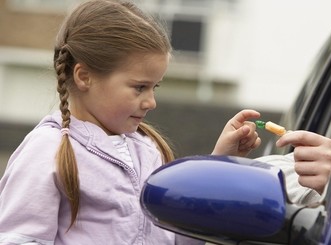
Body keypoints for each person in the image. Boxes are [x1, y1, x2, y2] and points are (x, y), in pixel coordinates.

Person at [0, 1, 261, 244]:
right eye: (140, 87)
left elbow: (178, 236)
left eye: (154, 87)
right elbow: (19, 238)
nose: (151, 102)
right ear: (84, 77)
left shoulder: (148, 150)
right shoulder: (47, 150)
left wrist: (219, 163)